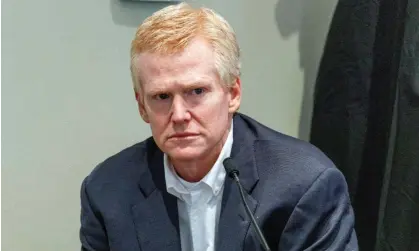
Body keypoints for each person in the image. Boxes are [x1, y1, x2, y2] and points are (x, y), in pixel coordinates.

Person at [79, 2, 358, 251]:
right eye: (162, 97)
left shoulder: (305, 186)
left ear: (233, 93)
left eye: (196, 91)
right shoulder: (106, 191)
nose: (178, 115)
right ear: (142, 106)